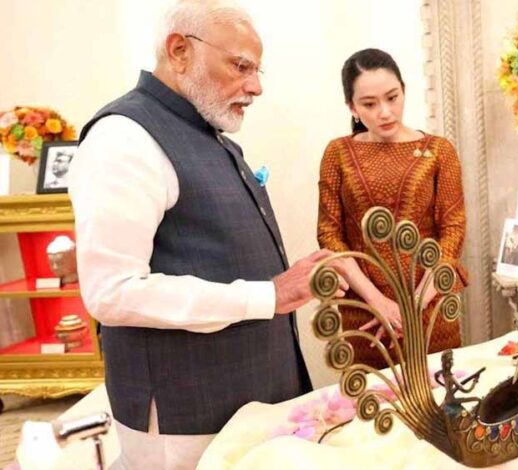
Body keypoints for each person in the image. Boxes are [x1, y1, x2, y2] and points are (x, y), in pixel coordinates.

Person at [69, 1, 345, 468]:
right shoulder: (123, 138)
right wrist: (268, 294)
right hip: (186, 418)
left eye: (256, 70)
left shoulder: (205, 133)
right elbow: (112, 292)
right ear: (180, 51)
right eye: (240, 66)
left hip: (240, 403)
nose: (255, 86)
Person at [317, 48, 468, 370]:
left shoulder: (439, 151)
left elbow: (453, 230)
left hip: (430, 303)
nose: (385, 112)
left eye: (392, 97)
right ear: (352, 107)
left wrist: (415, 304)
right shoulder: (338, 153)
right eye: (369, 104)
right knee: (374, 395)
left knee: (439, 389)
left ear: (403, 90)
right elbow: (329, 234)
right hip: (364, 310)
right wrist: (377, 301)